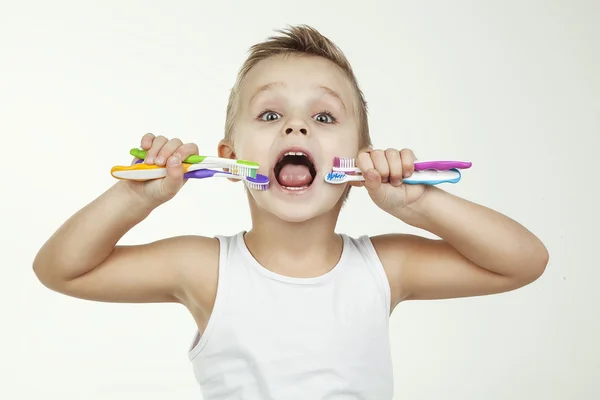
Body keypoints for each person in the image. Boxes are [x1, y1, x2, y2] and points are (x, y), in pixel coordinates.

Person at [33, 25, 549, 399]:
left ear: (360, 159)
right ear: (229, 158)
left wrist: (419, 202)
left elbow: (523, 261)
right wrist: (136, 196)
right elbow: (60, 270)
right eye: (271, 113)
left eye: (323, 116)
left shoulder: (384, 270)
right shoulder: (206, 270)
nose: (297, 127)